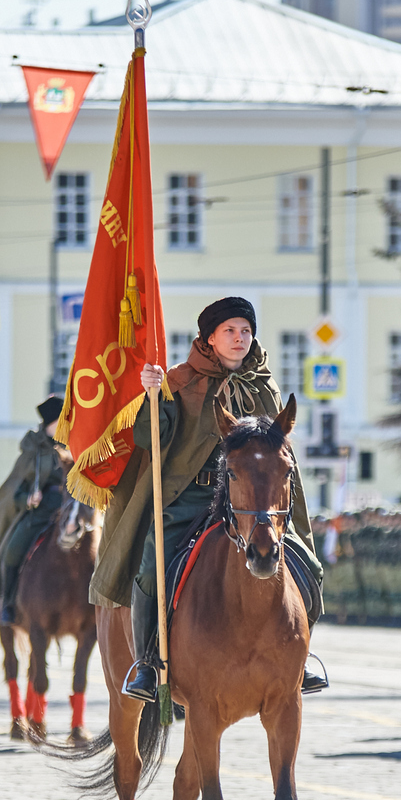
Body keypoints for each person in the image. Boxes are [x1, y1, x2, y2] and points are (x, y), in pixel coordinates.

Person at [92, 297, 327, 702]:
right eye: (230, 331)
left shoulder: (263, 386)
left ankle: (299, 656)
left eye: (246, 331)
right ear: (210, 338)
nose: (240, 339)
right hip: (192, 496)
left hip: (252, 504)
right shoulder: (181, 381)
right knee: (151, 567)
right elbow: (152, 438)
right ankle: (148, 663)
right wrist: (150, 396)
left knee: (310, 565)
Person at [0, 395, 70, 627]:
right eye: (63, 419)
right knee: (13, 549)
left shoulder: (76, 443)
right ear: (51, 422)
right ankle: (8, 601)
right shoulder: (32, 451)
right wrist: (29, 499)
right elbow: (13, 491)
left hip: (71, 508)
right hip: (40, 511)